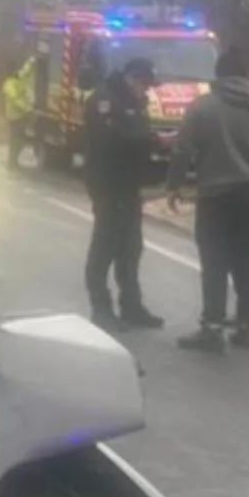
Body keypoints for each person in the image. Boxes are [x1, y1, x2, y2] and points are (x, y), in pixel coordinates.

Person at [167, 45, 249, 355]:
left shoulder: (202, 108)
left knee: (215, 263)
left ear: (218, 74)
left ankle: (213, 328)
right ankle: (247, 327)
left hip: (215, 197)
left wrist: (174, 185)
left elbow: (183, 150)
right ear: (247, 75)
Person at [82, 57, 163, 332]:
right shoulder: (104, 101)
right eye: (144, 83)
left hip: (128, 184)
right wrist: (150, 141)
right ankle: (101, 308)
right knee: (105, 245)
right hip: (107, 183)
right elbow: (111, 141)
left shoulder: (135, 102)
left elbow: (136, 137)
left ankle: (131, 306)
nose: (146, 89)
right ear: (131, 78)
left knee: (130, 248)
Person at [2, 53, 37, 170]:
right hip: (14, 117)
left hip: (20, 116)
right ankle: (12, 162)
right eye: (15, 69)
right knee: (16, 141)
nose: (17, 70)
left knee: (20, 140)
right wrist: (27, 109)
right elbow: (15, 99)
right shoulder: (9, 84)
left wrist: (31, 61)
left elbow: (25, 73)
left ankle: (14, 161)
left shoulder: (17, 80)